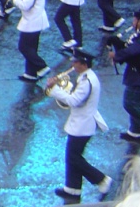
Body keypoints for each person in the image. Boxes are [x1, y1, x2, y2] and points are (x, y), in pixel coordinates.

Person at [46, 49, 112, 202]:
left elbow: (74, 101)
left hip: (82, 126)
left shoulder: (87, 81)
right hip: (80, 123)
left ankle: (102, 180)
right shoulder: (85, 77)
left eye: (76, 62)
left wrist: (54, 89)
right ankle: (72, 189)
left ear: (84, 64)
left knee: (74, 157)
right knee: (72, 156)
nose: (73, 65)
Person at [109, 8, 140, 143]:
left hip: (139, 74)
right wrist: (116, 42)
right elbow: (129, 47)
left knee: (130, 104)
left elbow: (135, 50)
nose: (133, 22)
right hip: (136, 72)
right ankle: (135, 131)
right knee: (135, 103)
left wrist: (117, 55)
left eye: (135, 20)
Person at [10, 0, 50, 81]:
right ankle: (31, 73)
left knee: (23, 47)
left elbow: (25, 6)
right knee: (32, 48)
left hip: (32, 22)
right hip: (36, 20)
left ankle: (42, 66)